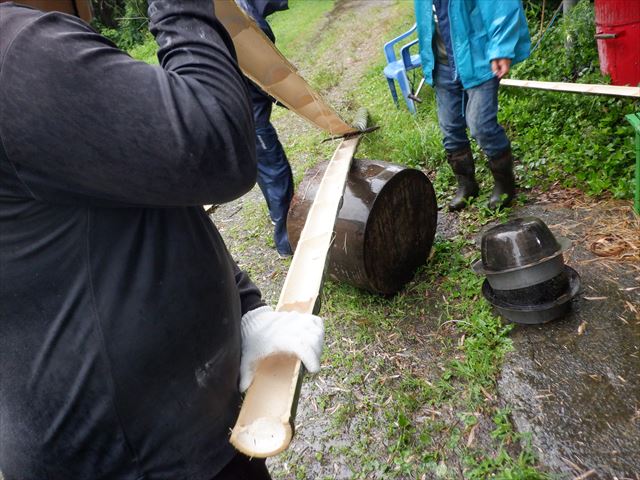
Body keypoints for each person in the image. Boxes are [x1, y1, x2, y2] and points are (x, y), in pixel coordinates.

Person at [0, 1, 323, 479]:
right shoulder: (17, 51)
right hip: (142, 456)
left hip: (135, 437)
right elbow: (215, 146)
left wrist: (246, 308)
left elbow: (146, 191)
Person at [413, 0, 531, 211]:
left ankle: (505, 185)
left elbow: (500, 6)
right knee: (450, 129)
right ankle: (467, 186)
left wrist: (501, 48)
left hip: (478, 59)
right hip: (442, 65)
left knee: (481, 124)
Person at [237, 0, 295, 257]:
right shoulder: (246, 18)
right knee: (275, 170)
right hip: (249, 115)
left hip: (242, 110)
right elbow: (264, 71)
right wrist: (290, 97)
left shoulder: (235, 10)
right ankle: (288, 240)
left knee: (264, 166)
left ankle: (276, 215)